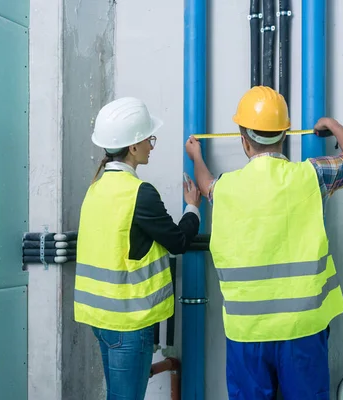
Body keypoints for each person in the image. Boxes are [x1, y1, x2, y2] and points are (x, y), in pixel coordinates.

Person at [185, 86, 343, 399]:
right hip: (303, 328)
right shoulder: (310, 176)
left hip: (248, 331)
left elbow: (206, 185)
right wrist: (332, 124)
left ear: (243, 139)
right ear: (284, 135)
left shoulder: (226, 188)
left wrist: (196, 156)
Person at [75, 97, 201, 400]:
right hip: (128, 323)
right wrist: (193, 208)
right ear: (132, 147)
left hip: (101, 320)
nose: (151, 146)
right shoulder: (139, 194)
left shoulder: (96, 189)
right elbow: (178, 242)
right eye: (148, 139)